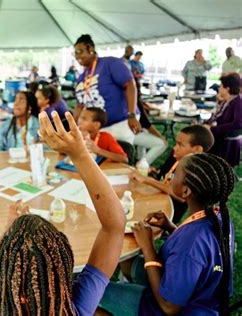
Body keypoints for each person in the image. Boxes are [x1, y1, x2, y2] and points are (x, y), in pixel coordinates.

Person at [0, 111, 126, 315]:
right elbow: (114, 227)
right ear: (63, 271)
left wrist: (6, 236)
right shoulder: (75, 308)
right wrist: (80, 154)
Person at [99, 153, 235, 315]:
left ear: (185, 191)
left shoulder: (191, 245)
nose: (170, 176)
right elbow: (199, 255)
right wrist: (171, 228)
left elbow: (169, 307)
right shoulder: (217, 216)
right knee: (127, 260)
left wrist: (148, 246)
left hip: (172, 308)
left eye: (175, 173)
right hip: (192, 289)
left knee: (88, 292)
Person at [129, 125, 214, 224]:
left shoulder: (195, 170)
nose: (174, 148)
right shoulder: (176, 156)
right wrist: (154, 170)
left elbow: (180, 196)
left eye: (180, 145)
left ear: (197, 149)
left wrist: (146, 179)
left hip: (168, 213)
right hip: (158, 196)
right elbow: (165, 172)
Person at [73, 34, 141, 144]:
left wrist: (131, 115)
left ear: (90, 49)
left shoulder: (110, 63)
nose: (76, 56)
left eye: (79, 52)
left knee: (116, 156)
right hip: (99, 127)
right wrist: (73, 127)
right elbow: (80, 105)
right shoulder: (82, 77)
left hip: (122, 121)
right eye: (74, 53)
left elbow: (130, 84)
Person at [205, 73, 242, 166]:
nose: (219, 88)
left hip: (225, 141)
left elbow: (238, 124)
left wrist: (212, 129)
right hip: (219, 136)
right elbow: (216, 117)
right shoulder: (227, 100)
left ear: (227, 89)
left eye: (221, 86)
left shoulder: (238, 103)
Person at [133, 80, 168, 164]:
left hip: (119, 130)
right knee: (161, 144)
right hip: (127, 133)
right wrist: (161, 137)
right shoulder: (134, 101)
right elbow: (146, 124)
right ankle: (141, 165)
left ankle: (140, 158)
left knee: (144, 131)